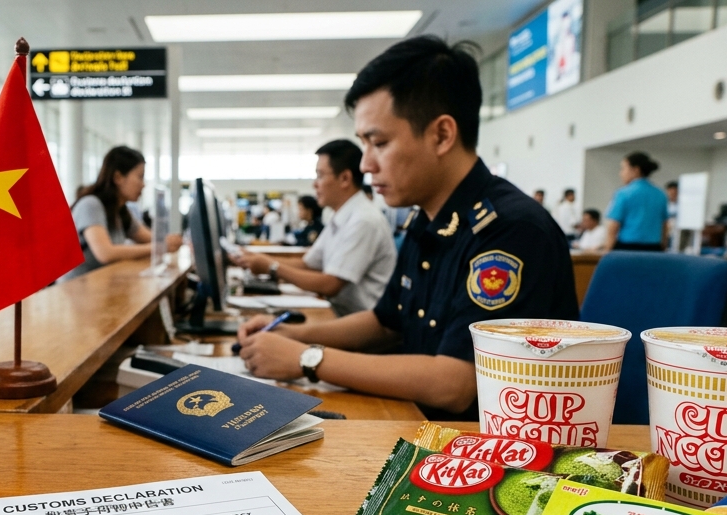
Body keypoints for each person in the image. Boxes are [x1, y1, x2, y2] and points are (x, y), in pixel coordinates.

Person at [236, 36, 578, 418]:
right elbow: (387, 323)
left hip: (491, 452)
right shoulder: (426, 217)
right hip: (421, 424)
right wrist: (293, 335)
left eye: (378, 142)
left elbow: (456, 383)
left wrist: (307, 358)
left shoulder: (510, 230)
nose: (366, 165)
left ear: (442, 135)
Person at [235, 140, 396, 317]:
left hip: (361, 327)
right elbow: (307, 264)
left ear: (345, 179)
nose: (314, 185)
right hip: (339, 314)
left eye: (320, 176)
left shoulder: (364, 220)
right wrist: (259, 259)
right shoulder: (341, 217)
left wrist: (271, 267)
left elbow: (330, 284)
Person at [62, 146, 182, 280]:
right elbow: (105, 253)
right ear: (118, 177)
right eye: (140, 177)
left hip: (101, 284)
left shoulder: (121, 211)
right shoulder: (91, 205)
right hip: (74, 290)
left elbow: (151, 238)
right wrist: (159, 246)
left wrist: (170, 241)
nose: (143, 184)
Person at [603, 151, 669, 251]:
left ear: (635, 170)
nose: (621, 173)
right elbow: (664, 225)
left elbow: (613, 226)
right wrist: (663, 247)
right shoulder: (660, 194)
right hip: (654, 248)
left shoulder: (623, 193)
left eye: (623, 169)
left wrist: (607, 250)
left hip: (628, 248)